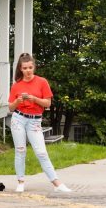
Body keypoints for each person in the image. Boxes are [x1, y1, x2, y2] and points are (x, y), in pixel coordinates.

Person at [7, 53, 71, 193]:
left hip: (35, 120)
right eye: (25, 68)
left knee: (41, 152)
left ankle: (57, 183)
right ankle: (20, 181)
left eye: (30, 67)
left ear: (34, 67)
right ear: (20, 69)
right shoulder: (17, 85)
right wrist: (17, 101)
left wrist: (34, 99)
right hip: (18, 119)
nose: (28, 71)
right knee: (20, 150)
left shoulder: (42, 82)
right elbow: (10, 108)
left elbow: (47, 103)